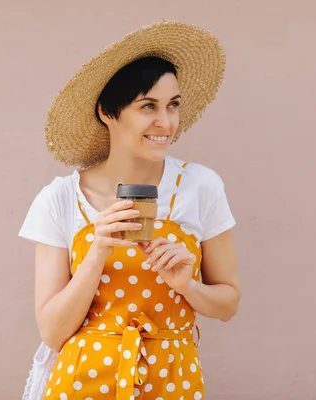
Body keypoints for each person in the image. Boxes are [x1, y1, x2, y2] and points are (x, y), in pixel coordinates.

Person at [19, 21, 241, 400]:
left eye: (172, 105)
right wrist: (99, 250)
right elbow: (53, 332)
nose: (166, 122)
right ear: (108, 111)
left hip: (173, 382)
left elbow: (228, 303)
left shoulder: (201, 187)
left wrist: (186, 285)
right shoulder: (59, 199)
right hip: (81, 384)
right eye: (147, 106)